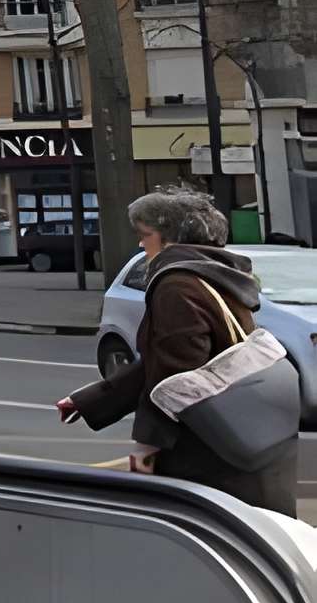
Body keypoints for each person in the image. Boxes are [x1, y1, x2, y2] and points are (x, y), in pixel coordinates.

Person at [59, 185, 298, 516]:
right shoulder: (220, 276)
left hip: (202, 452)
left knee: (208, 545)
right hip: (240, 434)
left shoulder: (176, 286)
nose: (141, 244)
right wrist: (91, 400)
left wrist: (147, 449)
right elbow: (162, 360)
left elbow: (175, 379)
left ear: (171, 238)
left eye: (146, 234)